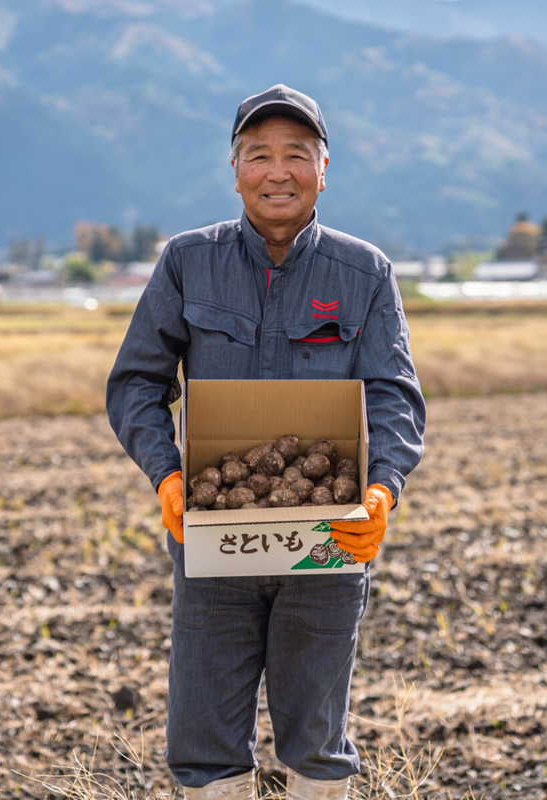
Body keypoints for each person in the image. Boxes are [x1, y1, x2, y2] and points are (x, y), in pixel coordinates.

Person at [106, 84, 425, 800]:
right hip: (215, 539)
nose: (277, 171)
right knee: (204, 736)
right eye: (259, 155)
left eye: (296, 155)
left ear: (324, 166)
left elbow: (394, 395)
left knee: (318, 738)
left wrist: (382, 489)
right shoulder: (188, 262)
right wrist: (165, 475)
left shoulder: (364, 272)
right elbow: (134, 385)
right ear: (234, 167)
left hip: (328, 536)